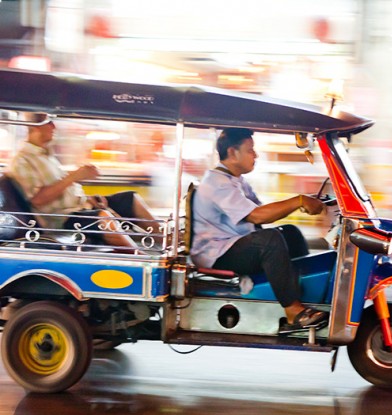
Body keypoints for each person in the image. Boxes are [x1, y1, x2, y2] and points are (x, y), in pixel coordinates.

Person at [190, 128, 328, 334]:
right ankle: (293, 311)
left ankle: (297, 291)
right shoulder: (218, 183)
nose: (255, 155)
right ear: (233, 152)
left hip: (232, 243)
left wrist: (304, 202)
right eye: (250, 150)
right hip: (216, 254)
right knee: (270, 240)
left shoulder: (235, 180)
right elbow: (256, 216)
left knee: (290, 233)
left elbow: (263, 212)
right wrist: (298, 201)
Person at [8, 113, 163, 251]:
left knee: (130, 199)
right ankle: (138, 258)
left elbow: (60, 190)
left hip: (78, 208)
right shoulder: (23, 161)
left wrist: (89, 198)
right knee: (103, 217)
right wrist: (73, 177)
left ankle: (164, 243)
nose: (53, 126)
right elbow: (38, 199)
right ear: (36, 127)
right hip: (61, 220)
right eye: (49, 122)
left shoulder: (46, 155)